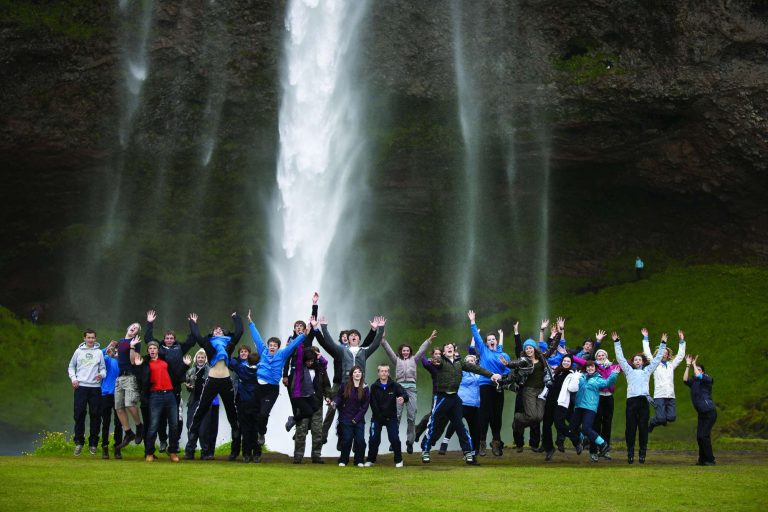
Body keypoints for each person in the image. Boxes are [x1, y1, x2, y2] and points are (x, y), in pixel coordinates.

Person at [422, 342, 501, 465]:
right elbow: (434, 361)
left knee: (460, 426)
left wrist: (491, 375)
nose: (449, 348)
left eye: (451, 347)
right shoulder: (442, 361)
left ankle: (468, 452)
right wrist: (434, 360)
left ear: (454, 350)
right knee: (434, 423)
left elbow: (476, 368)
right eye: (446, 347)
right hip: (442, 397)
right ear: (443, 352)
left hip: (455, 398)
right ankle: (426, 449)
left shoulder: (460, 363)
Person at [183, 312, 243, 460]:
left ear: (224, 332)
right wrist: (193, 323)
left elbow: (240, 331)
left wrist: (236, 318)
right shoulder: (208, 342)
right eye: (215, 330)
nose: (218, 331)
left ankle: (234, 452)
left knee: (232, 414)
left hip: (226, 380)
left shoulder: (229, 342)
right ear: (212, 333)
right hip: (212, 380)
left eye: (220, 330)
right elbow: (197, 336)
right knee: (199, 413)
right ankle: (190, 450)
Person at [246, 309, 309, 447]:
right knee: (253, 414)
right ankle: (254, 438)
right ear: (267, 346)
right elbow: (257, 338)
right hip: (259, 387)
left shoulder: (282, 354)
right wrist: (251, 323)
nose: (272, 347)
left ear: (278, 347)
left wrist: (303, 335)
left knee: (264, 414)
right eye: (271, 345)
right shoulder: (263, 351)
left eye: (275, 346)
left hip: (271, 389)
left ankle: (261, 433)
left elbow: (292, 345)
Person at [144, 310, 197, 454]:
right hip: (160, 386)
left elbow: (192, 340)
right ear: (164, 339)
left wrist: (192, 324)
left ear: (174, 339)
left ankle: (175, 443)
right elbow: (148, 338)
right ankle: (162, 441)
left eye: (171, 338)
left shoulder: (179, 347)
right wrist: (150, 322)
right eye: (166, 338)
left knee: (176, 419)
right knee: (160, 417)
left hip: (175, 388)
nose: (168, 340)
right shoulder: (159, 348)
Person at [613, 331, 665, 464]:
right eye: (635, 359)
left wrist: (663, 344)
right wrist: (617, 343)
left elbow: (658, 359)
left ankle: (642, 454)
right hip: (631, 402)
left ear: (643, 362)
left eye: (639, 360)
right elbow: (620, 358)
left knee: (643, 429)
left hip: (643, 402)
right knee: (630, 429)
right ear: (633, 362)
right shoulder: (628, 371)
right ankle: (630, 453)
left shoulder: (647, 371)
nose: (637, 361)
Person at [381, 329, 435, 455]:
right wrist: (382, 340)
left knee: (411, 416)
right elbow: (388, 351)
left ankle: (410, 442)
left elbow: (421, 350)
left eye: (407, 350)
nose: (405, 352)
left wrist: (429, 340)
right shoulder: (397, 360)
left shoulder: (414, 360)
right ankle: (393, 442)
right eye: (403, 350)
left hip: (411, 389)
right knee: (397, 416)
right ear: (401, 352)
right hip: (398, 389)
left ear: (410, 352)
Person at [467, 310, 511, 457]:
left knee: (497, 416)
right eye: (489, 339)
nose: (491, 340)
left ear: (497, 341)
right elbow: (477, 338)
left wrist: (502, 376)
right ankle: (481, 443)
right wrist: (473, 322)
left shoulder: (503, 355)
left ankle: (496, 443)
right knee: (484, 414)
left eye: (494, 339)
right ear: (486, 342)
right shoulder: (484, 351)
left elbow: (508, 370)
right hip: (485, 384)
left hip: (498, 386)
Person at [572, 334, 621, 460]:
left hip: (608, 397)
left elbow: (624, 363)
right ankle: (593, 451)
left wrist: (617, 342)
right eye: (598, 355)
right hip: (596, 397)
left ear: (606, 356)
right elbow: (581, 362)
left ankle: (604, 449)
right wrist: (566, 355)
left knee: (607, 424)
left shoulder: (612, 367)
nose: (600, 357)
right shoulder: (594, 368)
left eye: (602, 355)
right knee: (594, 425)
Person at [131, 339, 181, 462]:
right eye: (150, 349)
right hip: (155, 396)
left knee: (174, 425)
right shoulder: (145, 362)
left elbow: (175, 375)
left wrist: (184, 365)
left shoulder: (165, 361)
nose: (152, 350)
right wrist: (138, 366)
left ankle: (173, 452)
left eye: (154, 348)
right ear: (148, 351)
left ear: (158, 350)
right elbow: (140, 379)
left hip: (170, 395)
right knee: (153, 425)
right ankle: (149, 453)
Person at [566, 361, 620, 462]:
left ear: (595, 368)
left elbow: (608, 383)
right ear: (585, 368)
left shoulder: (598, 379)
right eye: (588, 367)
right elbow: (573, 387)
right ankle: (582, 440)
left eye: (592, 367)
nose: (590, 369)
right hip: (578, 406)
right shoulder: (581, 377)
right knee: (571, 429)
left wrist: (613, 374)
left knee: (586, 428)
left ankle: (603, 444)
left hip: (590, 407)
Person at [290, 346, 332, 464]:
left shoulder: (321, 370)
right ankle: (298, 457)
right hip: (303, 403)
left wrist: (328, 396)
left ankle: (316, 456)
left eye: (312, 359)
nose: (310, 362)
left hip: (317, 404)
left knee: (317, 431)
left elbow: (326, 384)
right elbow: (293, 387)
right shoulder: (300, 369)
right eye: (308, 359)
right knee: (301, 430)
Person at [67, 329, 106, 456]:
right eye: (88, 337)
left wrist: (101, 375)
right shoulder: (78, 351)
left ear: (95, 339)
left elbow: (103, 368)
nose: (90, 340)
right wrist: (74, 379)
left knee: (95, 415)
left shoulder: (99, 352)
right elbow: (71, 366)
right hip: (81, 387)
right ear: (84, 338)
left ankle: (93, 443)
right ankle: (79, 442)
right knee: (79, 415)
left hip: (95, 388)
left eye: (93, 338)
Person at [643, 328, 686, 432]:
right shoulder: (655, 364)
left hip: (671, 395)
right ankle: (652, 422)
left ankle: (659, 419)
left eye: (666, 353)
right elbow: (647, 353)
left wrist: (682, 341)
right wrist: (645, 338)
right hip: (659, 395)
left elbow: (680, 356)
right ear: (659, 353)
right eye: (662, 352)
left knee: (671, 418)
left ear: (668, 355)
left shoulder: (671, 365)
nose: (664, 354)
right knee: (661, 419)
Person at [365, 364, 407, 467]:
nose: (384, 373)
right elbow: (373, 403)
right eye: (381, 371)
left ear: (388, 373)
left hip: (391, 417)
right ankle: (371, 460)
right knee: (374, 439)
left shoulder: (394, 385)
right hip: (377, 417)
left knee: (394, 438)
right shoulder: (374, 386)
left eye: (386, 371)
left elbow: (404, 394)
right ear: (378, 373)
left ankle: (398, 460)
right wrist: (379, 416)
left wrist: (403, 398)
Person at [184, 349, 220, 460]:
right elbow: (188, 385)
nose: (200, 359)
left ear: (205, 359)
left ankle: (205, 453)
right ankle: (190, 452)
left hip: (205, 404)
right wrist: (188, 387)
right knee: (191, 427)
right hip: (193, 402)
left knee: (204, 430)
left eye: (202, 358)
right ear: (196, 359)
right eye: (199, 357)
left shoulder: (211, 371)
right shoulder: (191, 371)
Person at [114, 321, 144, 448]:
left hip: (130, 376)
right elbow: (120, 356)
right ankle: (128, 432)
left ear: (137, 333)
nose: (134, 328)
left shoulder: (135, 342)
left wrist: (132, 346)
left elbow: (133, 361)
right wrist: (113, 354)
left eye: (137, 328)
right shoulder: (121, 341)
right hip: (120, 377)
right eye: (133, 326)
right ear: (128, 327)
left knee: (130, 404)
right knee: (118, 407)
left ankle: (139, 426)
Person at [228, 349, 261, 463]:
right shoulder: (261, 370)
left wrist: (228, 348)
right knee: (255, 429)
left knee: (245, 429)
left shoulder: (242, 369)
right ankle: (256, 454)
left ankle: (246, 454)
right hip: (256, 403)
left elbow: (231, 362)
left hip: (243, 402)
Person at [333, 366, 370, 467]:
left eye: (359, 372)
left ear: (361, 374)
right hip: (346, 418)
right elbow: (339, 397)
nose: (357, 374)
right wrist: (334, 403)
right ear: (352, 375)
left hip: (358, 419)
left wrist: (356, 419)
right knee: (347, 439)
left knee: (360, 440)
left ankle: (359, 461)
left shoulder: (365, 387)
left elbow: (365, 406)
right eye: (355, 372)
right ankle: (343, 460)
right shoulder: (345, 385)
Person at [683, 354, 716, 465]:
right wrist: (688, 365)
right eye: (696, 370)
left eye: (699, 369)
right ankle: (702, 460)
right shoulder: (694, 382)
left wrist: (693, 364)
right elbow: (685, 379)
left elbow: (699, 376)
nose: (696, 371)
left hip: (709, 412)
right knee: (699, 437)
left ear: (703, 371)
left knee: (703, 435)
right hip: (701, 413)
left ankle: (710, 460)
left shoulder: (707, 379)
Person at [100, 340, 123, 459]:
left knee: (119, 423)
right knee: (106, 422)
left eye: (120, 351)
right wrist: (108, 348)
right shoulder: (109, 360)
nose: (118, 353)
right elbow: (99, 356)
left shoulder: (124, 364)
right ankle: (104, 447)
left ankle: (118, 448)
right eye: (117, 350)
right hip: (106, 394)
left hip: (119, 395)